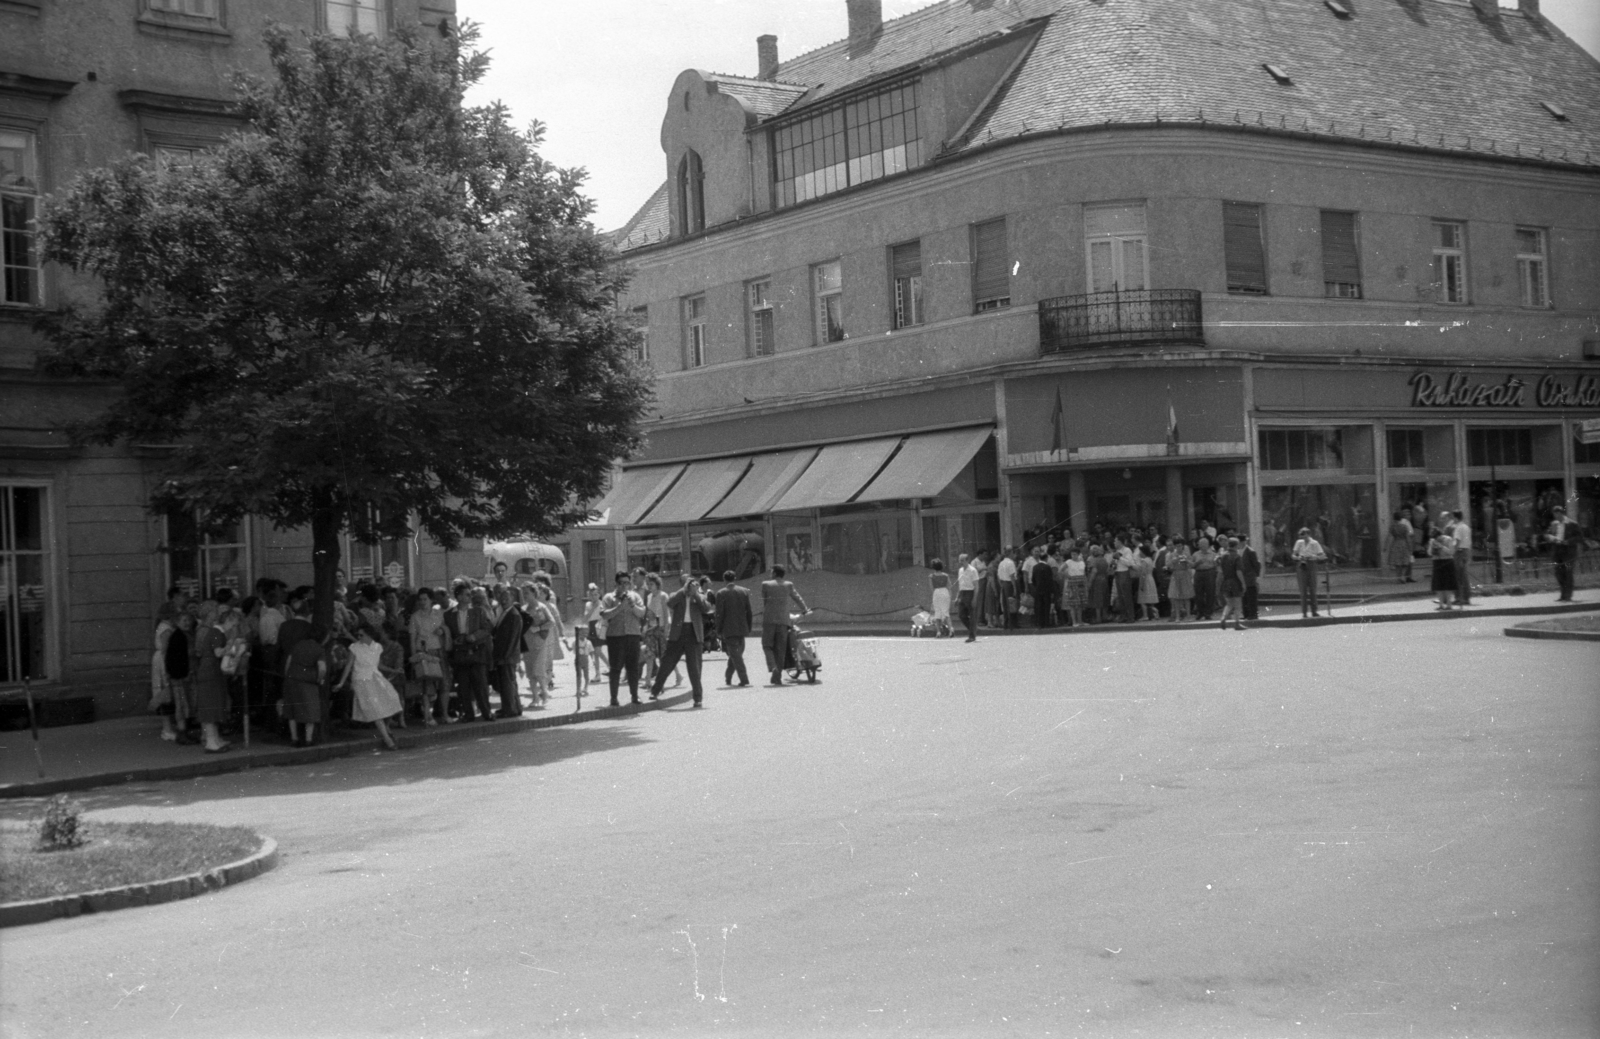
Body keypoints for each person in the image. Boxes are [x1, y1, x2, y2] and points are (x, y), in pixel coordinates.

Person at [650, 571, 710, 706]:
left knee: (694, 668)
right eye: (685, 583)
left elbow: (706, 608)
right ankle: (655, 690)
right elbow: (670, 603)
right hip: (678, 633)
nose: (689, 586)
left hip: (694, 634)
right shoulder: (677, 595)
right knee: (667, 663)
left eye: (690, 583)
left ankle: (698, 698)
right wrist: (683, 591)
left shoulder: (698, 596)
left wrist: (695, 594)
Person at [341, 624, 401, 750]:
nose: (359, 637)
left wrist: (393, 671)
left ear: (369, 635)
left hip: (375, 676)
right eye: (358, 635)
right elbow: (348, 666)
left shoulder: (377, 647)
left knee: (393, 699)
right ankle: (387, 738)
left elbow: (378, 665)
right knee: (375, 709)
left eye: (361, 635)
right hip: (361, 679)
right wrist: (342, 682)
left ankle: (387, 727)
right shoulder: (354, 647)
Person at [444, 582, 494, 721]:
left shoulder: (478, 611)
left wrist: (474, 636)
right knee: (463, 686)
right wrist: (453, 639)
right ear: (459, 597)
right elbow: (448, 633)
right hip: (460, 654)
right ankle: (468, 713)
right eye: (466, 594)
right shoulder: (449, 615)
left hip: (476, 652)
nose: (470, 597)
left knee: (481, 685)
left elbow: (487, 629)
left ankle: (486, 712)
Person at [190, 603, 234, 753]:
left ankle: (214, 739)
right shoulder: (216, 633)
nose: (234, 626)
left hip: (210, 672)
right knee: (210, 708)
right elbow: (218, 653)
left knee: (213, 707)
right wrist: (230, 647)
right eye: (233, 622)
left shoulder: (214, 632)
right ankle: (211, 741)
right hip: (211, 673)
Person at [600, 571, 648, 706]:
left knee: (633, 667)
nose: (624, 586)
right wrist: (620, 607)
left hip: (633, 635)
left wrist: (632, 605)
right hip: (615, 637)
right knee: (615, 668)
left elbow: (642, 612)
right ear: (616, 584)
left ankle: (635, 696)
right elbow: (605, 615)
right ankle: (614, 698)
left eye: (627, 583)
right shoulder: (609, 597)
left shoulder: (635, 596)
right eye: (621, 583)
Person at [761, 565, 811, 682]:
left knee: (767, 645)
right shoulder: (789, 585)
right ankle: (777, 675)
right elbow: (797, 597)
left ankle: (773, 668)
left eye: (771, 572)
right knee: (780, 649)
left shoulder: (766, 584)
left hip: (769, 620)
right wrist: (804, 609)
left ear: (774, 573)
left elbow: (765, 601)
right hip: (784, 621)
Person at [281, 623, 328, 747]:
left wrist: (288, 675)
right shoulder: (319, 649)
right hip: (308, 682)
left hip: (291, 680)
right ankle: (308, 740)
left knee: (292, 711)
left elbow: (288, 662)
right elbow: (322, 668)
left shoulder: (298, 644)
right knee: (310, 712)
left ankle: (294, 738)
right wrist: (320, 679)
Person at [408, 588, 448, 725]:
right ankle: (428, 716)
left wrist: (442, 630)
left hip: (438, 651)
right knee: (426, 686)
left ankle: (444, 714)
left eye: (425, 599)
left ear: (431, 600)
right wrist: (414, 657)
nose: (422, 602)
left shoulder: (439, 614)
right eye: (420, 599)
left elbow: (445, 629)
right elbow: (412, 638)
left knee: (442, 684)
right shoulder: (415, 616)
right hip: (423, 652)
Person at [489, 584, 526, 717]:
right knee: (509, 683)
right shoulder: (505, 613)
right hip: (505, 655)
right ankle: (515, 708)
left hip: (507, 656)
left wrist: (505, 656)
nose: (503, 600)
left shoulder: (513, 615)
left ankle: (509, 709)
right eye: (502, 597)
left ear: (512, 599)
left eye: (506, 598)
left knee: (507, 684)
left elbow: (513, 639)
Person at [714, 570, 753, 686]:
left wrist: (718, 629)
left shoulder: (721, 593)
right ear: (734, 578)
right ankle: (733, 677)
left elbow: (719, 614)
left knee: (735, 655)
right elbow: (749, 612)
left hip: (729, 629)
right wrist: (748, 627)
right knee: (736, 655)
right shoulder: (744, 591)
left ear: (724, 579)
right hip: (742, 628)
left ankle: (739, 678)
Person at [1547, 505, 1582, 601]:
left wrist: (1569, 541)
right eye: (1554, 514)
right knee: (1558, 573)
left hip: (1568, 551)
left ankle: (1568, 596)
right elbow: (1549, 534)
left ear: (1561, 513)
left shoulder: (1572, 524)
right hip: (1557, 550)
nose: (1556, 516)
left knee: (1568, 573)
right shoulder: (1554, 524)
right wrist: (1550, 537)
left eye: (1557, 514)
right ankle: (1563, 595)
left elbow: (1579, 537)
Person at [1291, 527, 1327, 617]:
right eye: (1301, 535)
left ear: (1308, 534)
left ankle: (1314, 611)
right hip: (1301, 565)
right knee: (1303, 590)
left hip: (1312, 564)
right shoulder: (1299, 543)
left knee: (1312, 589)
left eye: (1304, 535)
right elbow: (1293, 555)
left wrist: (1314, 557)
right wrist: (1298, 557)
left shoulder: (1314, 543)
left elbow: (1322, 555)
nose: (1303, 537)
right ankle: (1304, 612)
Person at [1218, 538, 1247, 631]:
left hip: (1226, 581)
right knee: (1238, 604)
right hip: (1235, 582)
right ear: (1236, 546)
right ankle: (1237, 623)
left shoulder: (1223, 556)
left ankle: (1223, 618)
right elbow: (1238, 571)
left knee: (1229, 603)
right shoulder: (1237, 556)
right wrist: (1243, 583)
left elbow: (1221, 570)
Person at [1428, 522, 1458, 609]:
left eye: (1438, 538)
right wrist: (1431, 545)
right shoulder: (1433, 541)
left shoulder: (1448, 539)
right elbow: (1429, 553)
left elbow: (1451, 552)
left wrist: (1441, 546)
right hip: (1437, 562)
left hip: (1447, 562)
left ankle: (1449, 604)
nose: (1437, 539)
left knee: (1448, 584)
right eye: (1435, 538)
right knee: (1438, 585)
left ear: (1440, 535)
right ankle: (1441, 604)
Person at [1167, 539, 1194, 622]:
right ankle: (1177, 617)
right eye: (1176, 546)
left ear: (1182, 546)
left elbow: (1192, 564)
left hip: (1185, 574)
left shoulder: (1186, 554)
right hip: (1175, 574)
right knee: (1176, 597)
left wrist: (1187, 561)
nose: (1178, 547)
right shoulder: (1172, 555)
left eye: (1180, 546)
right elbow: (1168, 566)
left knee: (1187, 597)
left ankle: (1188, 616)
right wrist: (1173, 561)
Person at [1450, 510, 1473, 606]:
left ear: (1455, 518)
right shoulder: (1466, 527)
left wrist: (1452, 552)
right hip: (1467, 551)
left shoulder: (1458, 528)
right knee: (1464, 575)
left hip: (1459, 552)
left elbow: (1457, 542)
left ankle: (1459, 598)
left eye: (1453, 518)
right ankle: (1466, 597)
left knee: (1458, 576)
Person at [1060, 546, 1087, 627]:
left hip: (1081, 582)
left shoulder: (1082, 562)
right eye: (1072, 554)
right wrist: (1068, 576)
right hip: (1072, 582)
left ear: (1078, 555)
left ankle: (1080, 621)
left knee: (1080, 603)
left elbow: (1083, 572)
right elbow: (1061, 570)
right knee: (1073, 604)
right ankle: (1074, 622)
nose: (1073, 556)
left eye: (1075, 554)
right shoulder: (1069, 562)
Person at [956, 553, 980, 643]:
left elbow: (976, 586)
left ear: (967, 560)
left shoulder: (972, 570)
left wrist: (974, 598)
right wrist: (957, 596)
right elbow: (960, 584)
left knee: (972, 614)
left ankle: (972, 635)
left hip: (970, 592)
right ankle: (972, 629)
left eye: (962, 560)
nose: (960, 562)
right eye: (960, 560)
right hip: (963, 592)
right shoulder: (960, 570)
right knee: (961, 615)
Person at [1031, 547, 1056, 628]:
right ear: (1046, 558)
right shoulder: (1047, 567)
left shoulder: (1035, 567)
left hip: (1038, 589)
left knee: (1039, 606)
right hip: (1046, 589)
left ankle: (1039, 623)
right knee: (1046, 606)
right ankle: (1046, 622)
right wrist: (1052, 590)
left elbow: (1033, 579)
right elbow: (1050, 579)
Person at [1387, 510, 1415, 583]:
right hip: (1404, 544)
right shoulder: (1404, 526)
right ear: (1400, 518)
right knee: (1405, 561)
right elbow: (1408, 538)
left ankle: (1398, 577)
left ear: (1394, 518)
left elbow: (1389, 537)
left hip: (1395, 543)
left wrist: (1386, 546)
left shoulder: (1392, 527)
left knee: (1397, 562)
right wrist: (1410, 547)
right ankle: (1403, 576)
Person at [927, 559, 953, 638]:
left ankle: (938, 632)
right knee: (946, 613)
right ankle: (951, 629)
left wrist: (933, 598)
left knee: (937, 612)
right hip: (945, 592)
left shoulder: (931, 576)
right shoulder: (946, 575)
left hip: (937, 592)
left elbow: (931, 588)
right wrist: (950, 596)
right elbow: (950, 586)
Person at [1135, 544, 1160, 621]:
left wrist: (1141, 584)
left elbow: (1143, 573)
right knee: (1151, 598)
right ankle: (1154, 613)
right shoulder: (1150, 559)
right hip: (1151, 578)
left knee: (1143, 599)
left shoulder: (1144, 561)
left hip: (1145, 579)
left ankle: (1145, 615)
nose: (1139, 553)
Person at [996, 548, 1019, 630]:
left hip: (1003, 583)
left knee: (1005, 604)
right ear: (1010, 553)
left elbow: (998, 576)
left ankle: (1006, 623)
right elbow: (1012, 576)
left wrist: (1001, 585)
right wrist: (1014, 588)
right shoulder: (1011, 563)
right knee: (1011, 603)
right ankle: (1012, 623)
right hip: (1009, 583)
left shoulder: (1001, 563)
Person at [1240, 537, 1262, 621]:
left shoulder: (1250, 551)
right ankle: (1246, 614)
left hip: (1250, 577)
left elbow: (1257, 564)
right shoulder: (1240, 551)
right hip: (1244, 577)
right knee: (1244, 597)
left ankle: (1253, 614)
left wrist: (1256, 576)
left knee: (1251, 596)